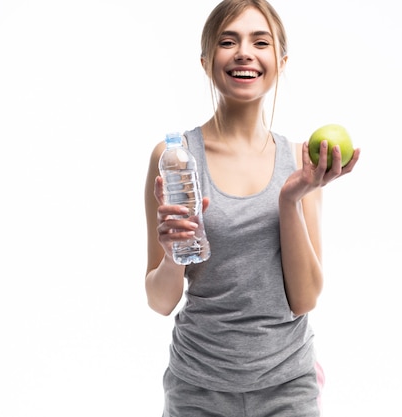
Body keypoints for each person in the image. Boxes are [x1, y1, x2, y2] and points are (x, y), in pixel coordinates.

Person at [144, 0, 360, 415]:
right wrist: (173, 256)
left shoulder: (302, 162)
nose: (244, 52)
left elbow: (305, 298)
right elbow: (160, 301)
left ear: (280, 61)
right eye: (229, 41)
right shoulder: (175, 158)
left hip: (287, 387)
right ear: (207, 60)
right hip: (198, 388)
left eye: (260, 42)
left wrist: (290, 199)